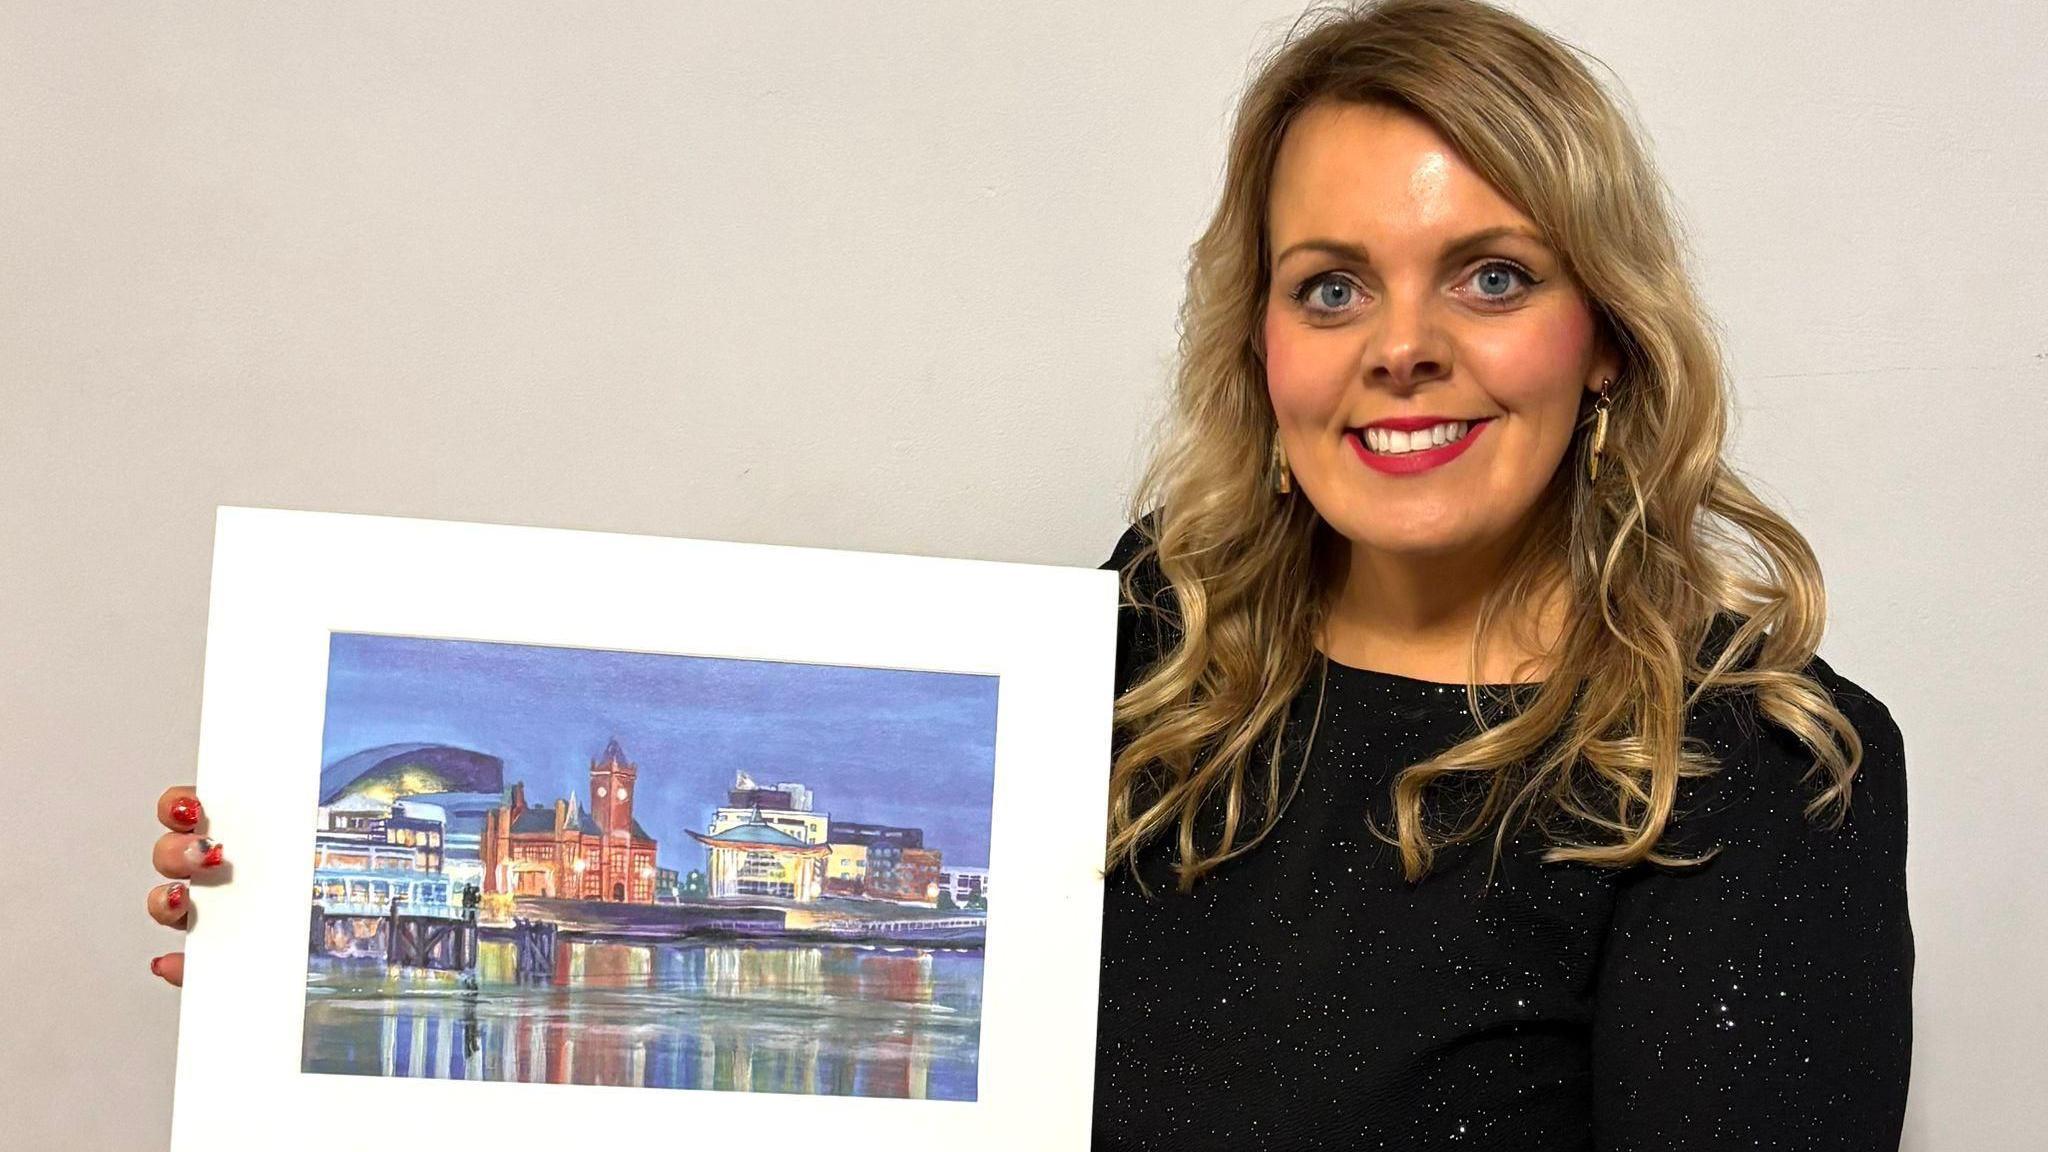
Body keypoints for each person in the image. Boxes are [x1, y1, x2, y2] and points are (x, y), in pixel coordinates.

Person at [147, 0, 1913, 1147]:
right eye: (1331, 286)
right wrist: (288, 952)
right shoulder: (1156, 640)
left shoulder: (1758, 777)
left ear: (1607, 334)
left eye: (1493, 277)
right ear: (1261, 346)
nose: (1403, 349)